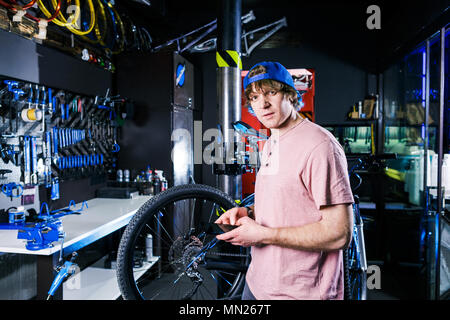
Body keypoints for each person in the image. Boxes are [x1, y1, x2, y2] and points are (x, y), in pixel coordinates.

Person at [215, 61, 354, 300]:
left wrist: (263, 235)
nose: (263, 104)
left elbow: (339, 233)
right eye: (255, 97)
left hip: (300, 293)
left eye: (271, 92)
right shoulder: (271, 142)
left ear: (290, 95)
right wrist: (248, 213)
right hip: (258, 282)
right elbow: (289, 202)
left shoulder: (320, 146)